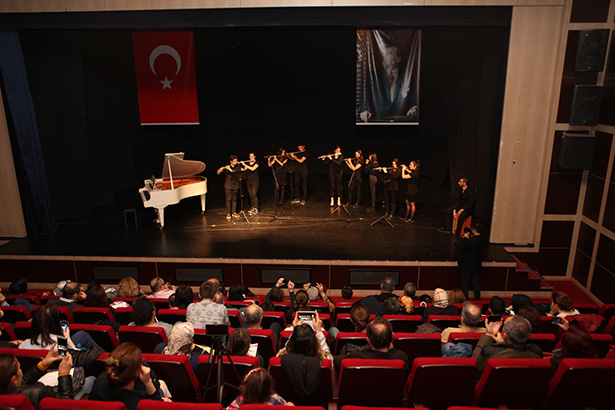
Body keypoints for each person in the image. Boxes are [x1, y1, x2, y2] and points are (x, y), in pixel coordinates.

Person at [89, 342, 168, 409]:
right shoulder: (138, 402)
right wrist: (148, 382)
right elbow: (157, 406)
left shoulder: (100, 381)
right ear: (136, 373)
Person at [0, 344, 74, 408]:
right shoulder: (39, 393)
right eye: (19, 368)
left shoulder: (5, 390)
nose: (21, 371)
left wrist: (43, 364)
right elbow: (66, 404)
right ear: (14, 380)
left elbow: (24, 380)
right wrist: (64, 373)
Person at [359, 42, 418, 123]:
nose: (385, 55)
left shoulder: (408, 79)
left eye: (390, 53)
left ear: (398, 59)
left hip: (400, 122)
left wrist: (413, 109)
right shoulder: (374, 77)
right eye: (385, 53)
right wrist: (364, 110)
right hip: (377, 122)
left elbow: (413, 101)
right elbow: (364, 98)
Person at [333, 317, 409, 375]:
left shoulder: (356, 356)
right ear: (392, 337)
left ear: (368, 340)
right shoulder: (401, 358)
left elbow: (336, 360)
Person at [19, 304, 105, 354]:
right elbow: (76, 359)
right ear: (56, 322)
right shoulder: (61, 344)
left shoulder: (23, 345)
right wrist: (67, 339)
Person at [472, 315, 543, 376]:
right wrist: (503, 342)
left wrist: (488, 334)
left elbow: (475, 364)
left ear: (505, 335)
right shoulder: (536, 352)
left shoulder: (490, 353)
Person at [458, 222, 488, 300]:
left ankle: (465, 299)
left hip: (467, 265)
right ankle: (477, 298)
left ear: (474, 230)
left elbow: (462, 247)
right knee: (476, 282)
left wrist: (465, 238)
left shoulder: (471, 241)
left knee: (465, 283)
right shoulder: (483, 240)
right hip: (476, 264)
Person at [217, 155, 242, 220]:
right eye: (234, 161)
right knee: (228, 199)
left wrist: (229, 169)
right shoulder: (227, 167)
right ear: (231, 161)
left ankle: (234, 212)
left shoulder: (238, 167)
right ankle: (228, 213)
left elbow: (235, 173)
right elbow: (218, 173)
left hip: (235, 185)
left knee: (234, 199)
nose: (236, 162)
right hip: (228, 185)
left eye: (236, 160)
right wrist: (221, 169)